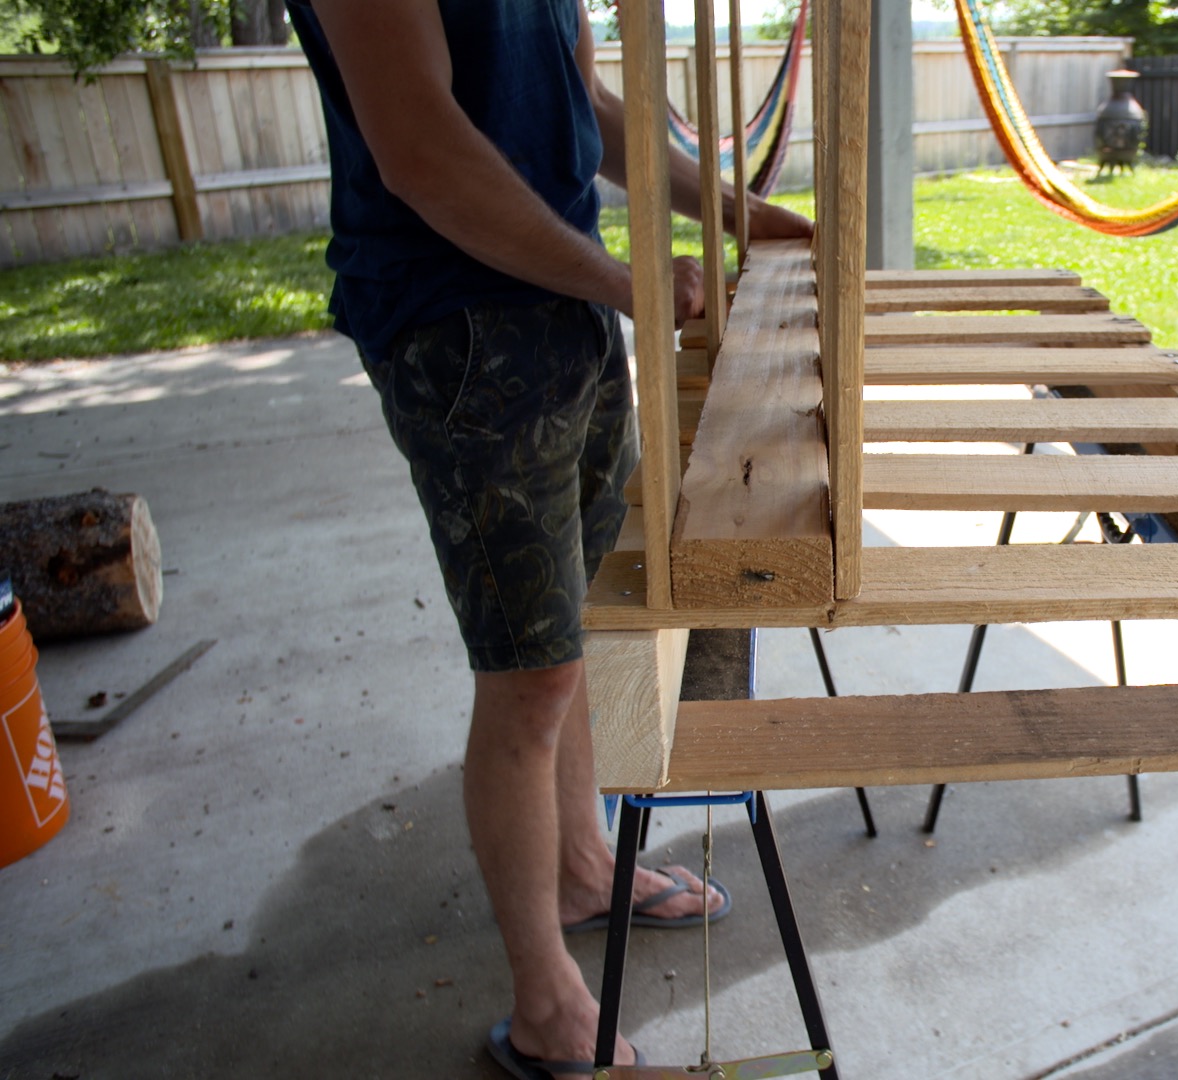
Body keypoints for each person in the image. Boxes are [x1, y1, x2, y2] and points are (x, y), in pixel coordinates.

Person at [284, 2, 814, 1075]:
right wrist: (628, 282)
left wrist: (741, 214)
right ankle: (544, 1009)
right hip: (461, 327)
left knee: (578, 630)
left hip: (563, 302)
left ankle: (581, 865)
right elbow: (422, 153)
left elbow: (591, 106)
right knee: (527, 677)